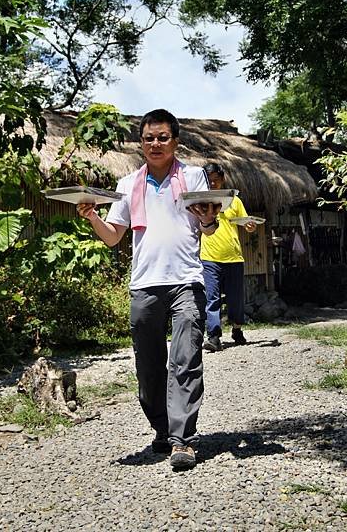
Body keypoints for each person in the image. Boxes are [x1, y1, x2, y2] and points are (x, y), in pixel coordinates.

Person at [77, 109, 221, 470]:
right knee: (149, 367)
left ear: (176, 141)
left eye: (162, 137)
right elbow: (114, 238)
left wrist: (208, 219)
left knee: (186, 359)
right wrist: (93, 216)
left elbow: (209, 228)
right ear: (141, 143)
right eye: (148, 138)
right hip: (144, 285)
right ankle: (161, 428)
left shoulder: (192, 176)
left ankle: (182, 440)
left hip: (187, 281)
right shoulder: (127, 185)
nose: (155, 144)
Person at [200, 162, 257, 352]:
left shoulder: (235, 201)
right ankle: (214, 336)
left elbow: (246, 222)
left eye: (215, 181)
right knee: (212, 298)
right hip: (209, 257)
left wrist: (250, 226)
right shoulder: (200, 200)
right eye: (209, 181)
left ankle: (237, 329)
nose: (212, 185)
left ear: (222, 179)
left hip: (234, 257)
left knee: (235, 298)